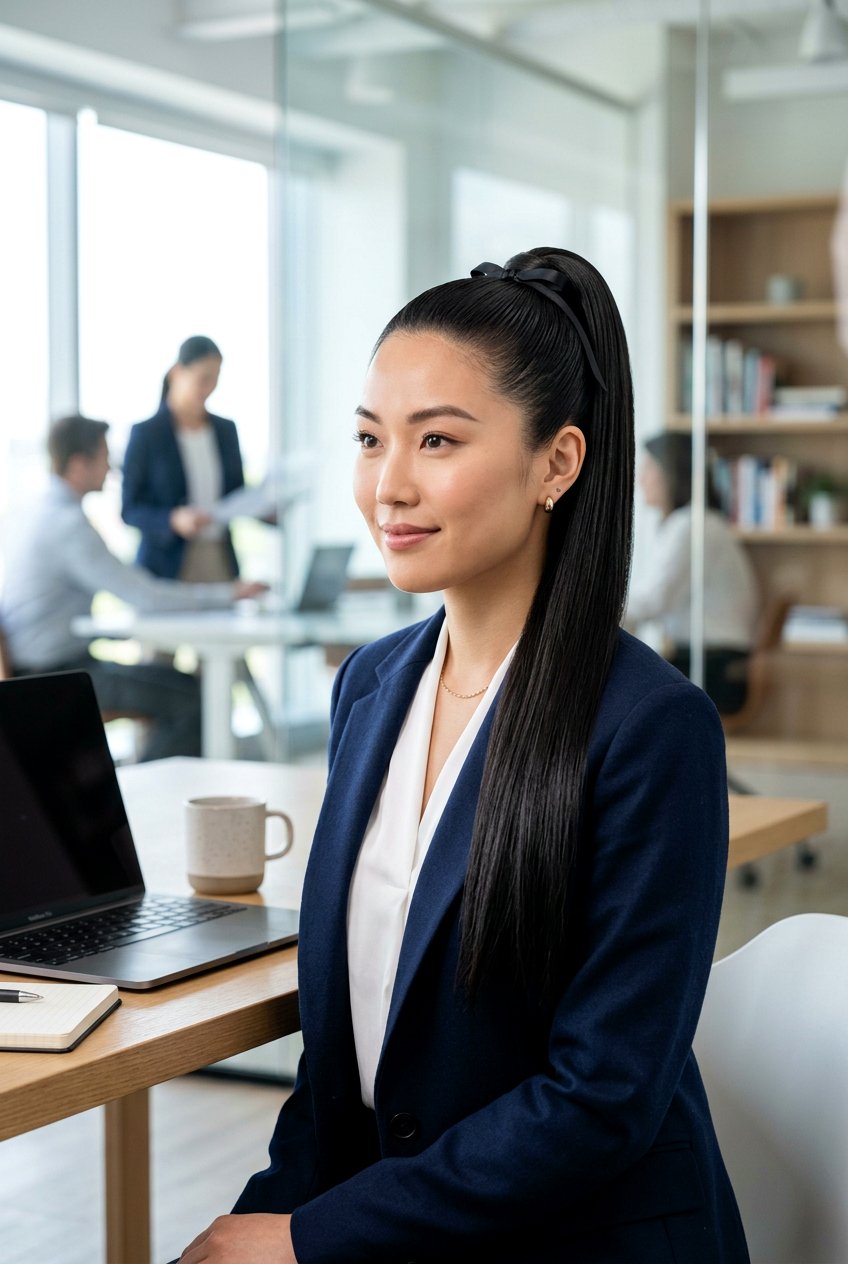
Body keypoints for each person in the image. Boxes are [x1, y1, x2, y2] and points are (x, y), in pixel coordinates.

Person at [177, 250, 749, 1263]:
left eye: (435, 439)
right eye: (368, 439)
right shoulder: (370, 684)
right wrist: (261, 1223)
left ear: (555, 463)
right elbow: (341, 1058)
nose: (387, 485)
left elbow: (598, 1097)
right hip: (391, 1226)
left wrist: (310, 1241)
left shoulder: (650, 727)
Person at [0, 414, 264, 762]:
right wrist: (227, 592)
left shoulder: (37, 511)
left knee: (184, 687)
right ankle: (141, 801)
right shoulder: (66, 526)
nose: (110, 468)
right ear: (79, 465)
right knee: (196, 700)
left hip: (46, 666)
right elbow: (146, 596)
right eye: (104, 457)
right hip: (54, 677)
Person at [625, 431, 759, 715]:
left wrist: (590, 608)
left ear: (671, 473)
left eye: (649, 469)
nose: (640, 480)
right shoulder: (698, 522)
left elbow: (653, 601)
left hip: (713, 667)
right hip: (721, 663)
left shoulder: (690, 526)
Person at [122, 335, 244, 583]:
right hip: (166, 565)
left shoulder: (225, 431)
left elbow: (237, 494)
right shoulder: (147, 434)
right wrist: (172, 519)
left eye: (215, 378)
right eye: (203, 378)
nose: (210, 387)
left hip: (218, 558)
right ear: (177, 372)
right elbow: (130, 509)